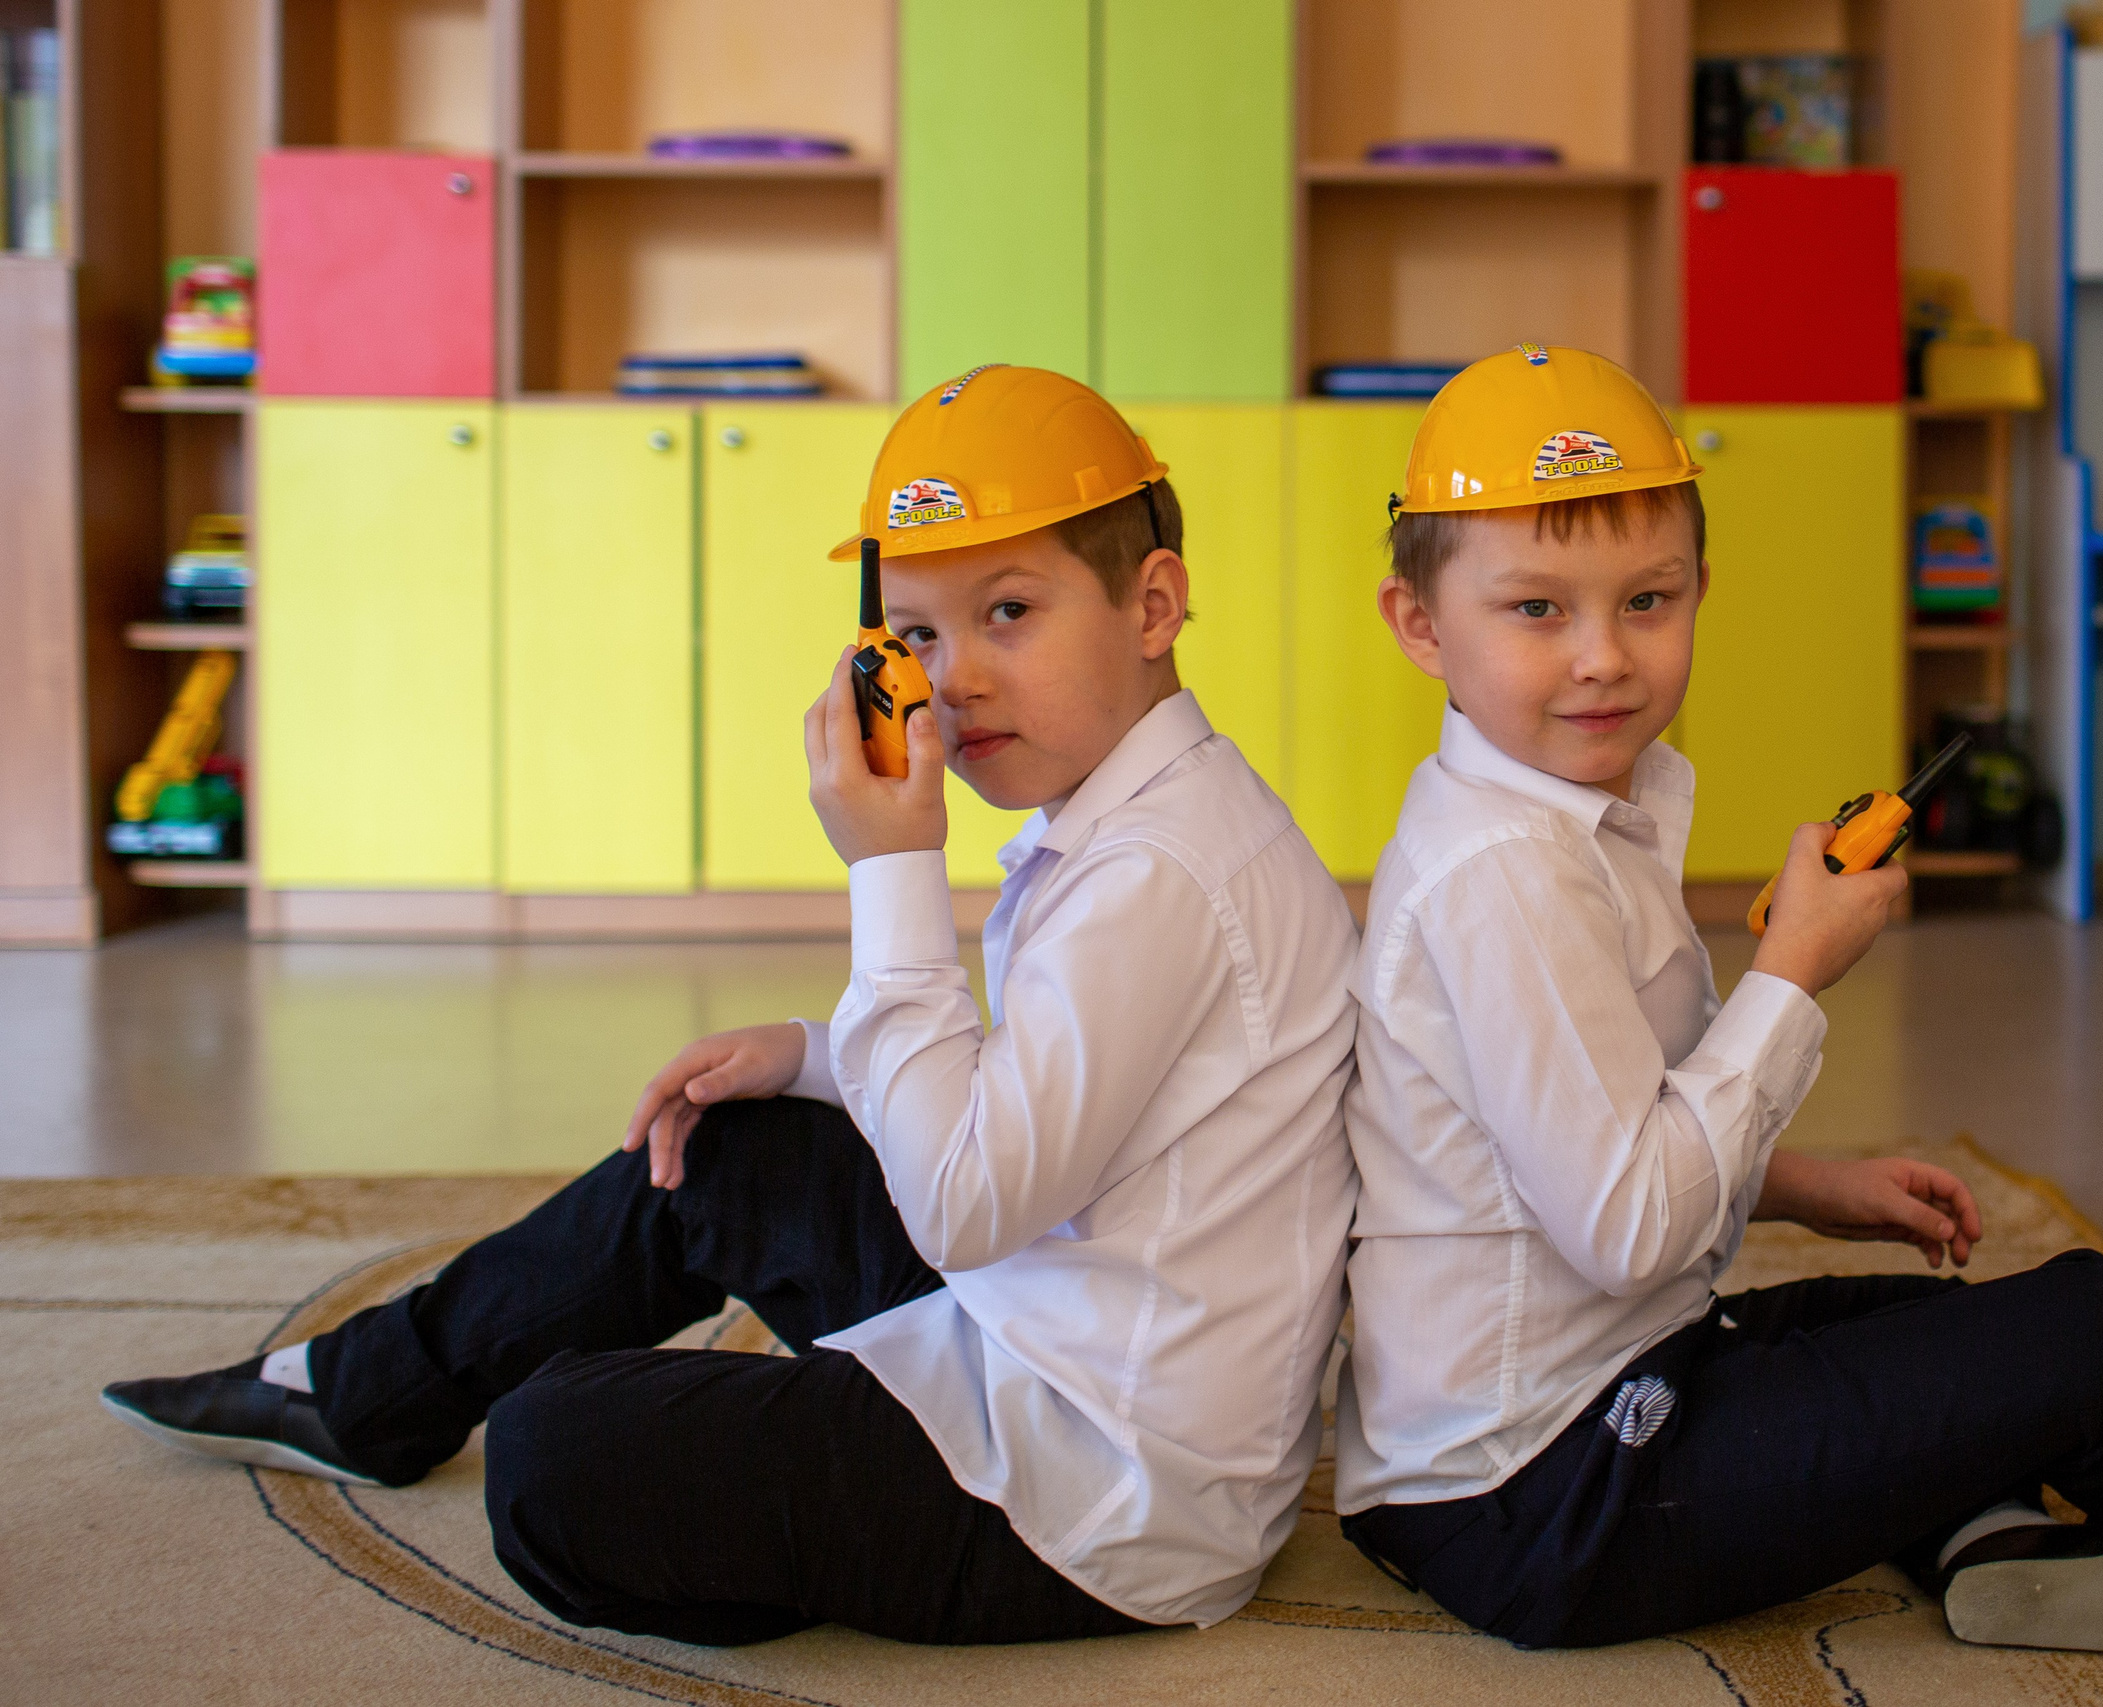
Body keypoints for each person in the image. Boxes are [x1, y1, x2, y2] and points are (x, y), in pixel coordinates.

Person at [103, 365, 1362, 1647]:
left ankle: (781, 1524)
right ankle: (363, 1396)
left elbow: (967, 1204)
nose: (956, 679)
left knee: (556, 1453)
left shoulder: (1159, 872)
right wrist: (816, 1057)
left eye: (1011, 612)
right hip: (1040, 1336)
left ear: (1152, 605)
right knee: (726, 1148)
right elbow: (1051, 1106)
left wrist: (891, 863)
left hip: (1088, 1500)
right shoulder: (1144, 817)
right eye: (918, 636)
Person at [1328, 344, 2103, 1656]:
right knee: (2096, 1326)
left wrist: (1800, 1183)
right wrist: (1793, 973)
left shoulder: (1544, 818)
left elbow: (1571, 1136)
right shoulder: (1504, 872)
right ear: (1421, 623)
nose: (1604, 657)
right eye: (1537, 610)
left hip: (1581, 1406)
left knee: (1930, 1330)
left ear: (1699, 591)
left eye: (1648, 599)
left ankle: (1992, 1544)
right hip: (1548, 1495)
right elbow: (1621, 1223)